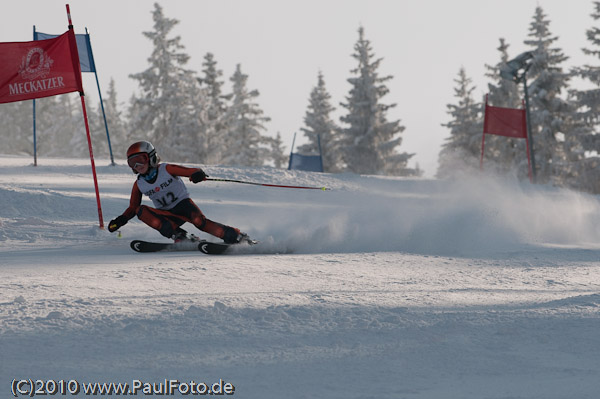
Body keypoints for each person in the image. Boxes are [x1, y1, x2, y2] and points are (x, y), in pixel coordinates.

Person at [108, 140, 251, 244]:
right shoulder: (139, 184)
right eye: (132, 163)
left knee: (199, 222)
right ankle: (181, 237)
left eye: (140, 160)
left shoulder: (166, 169)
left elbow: (190, 171)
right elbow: (133, 207)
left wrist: (197, 174)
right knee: (141, 211)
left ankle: (235, 236)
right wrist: (120, 220)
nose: (137, 166)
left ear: (150, 156)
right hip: (167, 214)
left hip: (184, 206)